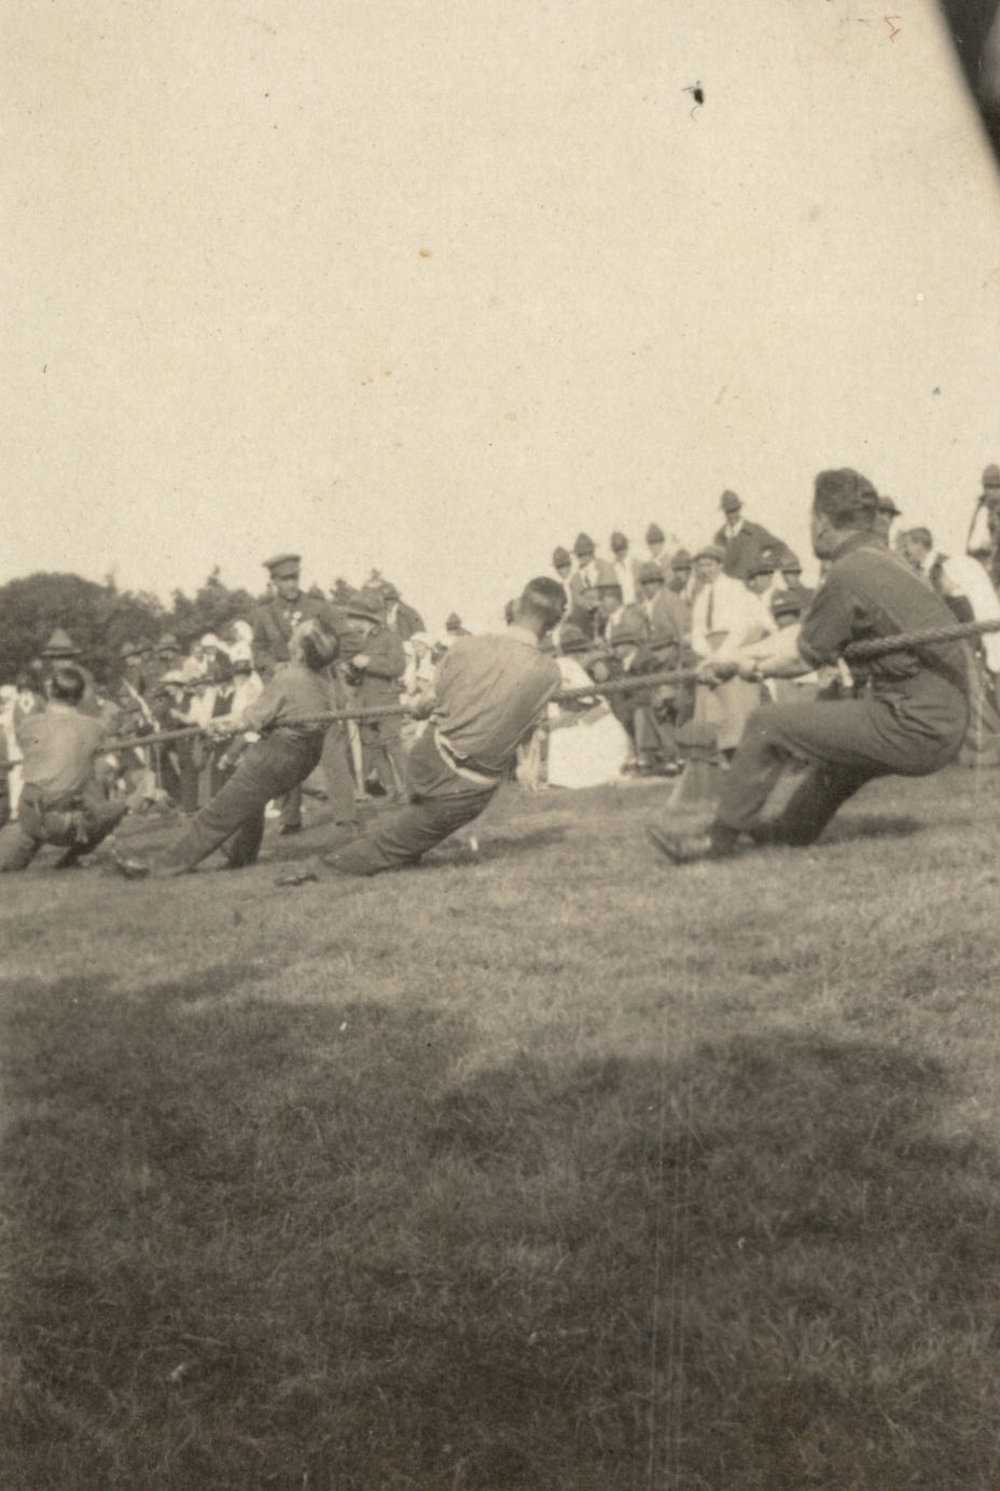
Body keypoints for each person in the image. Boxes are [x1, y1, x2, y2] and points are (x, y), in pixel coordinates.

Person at [647, 469, 969, 864]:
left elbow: (802, 656)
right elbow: (805, 634)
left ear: (821, 521)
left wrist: (748, 666)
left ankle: (716, 842)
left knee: (768, 723)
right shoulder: (878, 560)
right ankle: (791, 832)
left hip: (916, 723)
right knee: (840, 753)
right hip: (940, 718)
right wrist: (733, 659)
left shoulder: (849, 572)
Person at [314, 578, 566, 876]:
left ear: (517, 605)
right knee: (401, 836)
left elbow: (424, 704)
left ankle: (339, 865)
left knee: (401, 832)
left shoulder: (466, 646)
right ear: (554, 623)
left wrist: (423, 708)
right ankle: (343, 864)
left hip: (433, 762)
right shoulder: (550, 674)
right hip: (472, 788)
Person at [125, 619, 341, 875]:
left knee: (217, 814)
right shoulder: (324, 680)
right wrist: (222, 721)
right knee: (252, 803)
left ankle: (161, 867)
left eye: (294, 636)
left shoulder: (289, 677)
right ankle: (242, 857)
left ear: (300, 652)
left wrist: (223, 726)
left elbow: (253, 717)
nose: (290, 638)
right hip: (303, 758)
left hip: (276, 753)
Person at [251, 552, 357, 834]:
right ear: (273, 581)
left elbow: (348, 641)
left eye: (294, 577)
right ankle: (290, 818)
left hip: (320, 689)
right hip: (286, 692)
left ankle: (346, 816)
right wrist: (272, 667)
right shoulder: (264, 614)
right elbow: (258, 650)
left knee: (332, 750)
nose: (291, 584)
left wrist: (322, 659)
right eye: (284, 579)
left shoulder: (318, 607)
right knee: (287, 751)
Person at [0, 664, 131, 872]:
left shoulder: (28, 725)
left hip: (30, 816)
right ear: (80, 696)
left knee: (14, 852)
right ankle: (73, 856)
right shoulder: (94, 728)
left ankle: (25, 849)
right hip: (68, 822)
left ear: (51, 691)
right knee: (117, 806)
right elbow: (105, 769)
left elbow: (32, 751)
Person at [343, 589, 409, 800]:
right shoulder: (355, 642)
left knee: (393, 745)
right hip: (363, 703)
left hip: (385, 700)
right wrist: (350, 673)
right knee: (373, 747)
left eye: (353, 618)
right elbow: (354, 679)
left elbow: (398, 667)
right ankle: (391, 790)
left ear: (365, 618)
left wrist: (370, 662)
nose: (350, 623)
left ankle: (410, 790)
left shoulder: (390, 637)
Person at [713, 490, 785, 582]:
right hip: (730, 587)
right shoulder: (720, 537)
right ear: (724, 512)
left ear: (739, 509)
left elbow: (780, 546)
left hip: (752, 584)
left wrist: (765, 564)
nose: (731, 515)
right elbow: (717, 564)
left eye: (734, 510)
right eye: (728, 511)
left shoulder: (754, 530)